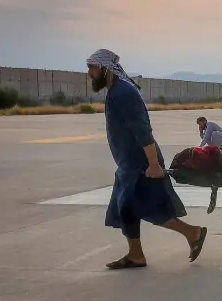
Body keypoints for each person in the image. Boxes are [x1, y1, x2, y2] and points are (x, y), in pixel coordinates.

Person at [86, 48, 208, 269]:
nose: (89, 74)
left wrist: (153, 164)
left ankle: (193, 233)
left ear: (104, 69)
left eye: (92, 68)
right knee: (128, 209)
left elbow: (142, 130)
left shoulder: (123, 93)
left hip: (140, 163)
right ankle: (137, 254)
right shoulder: (116, 91)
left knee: (147, 208)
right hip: (129, 163)